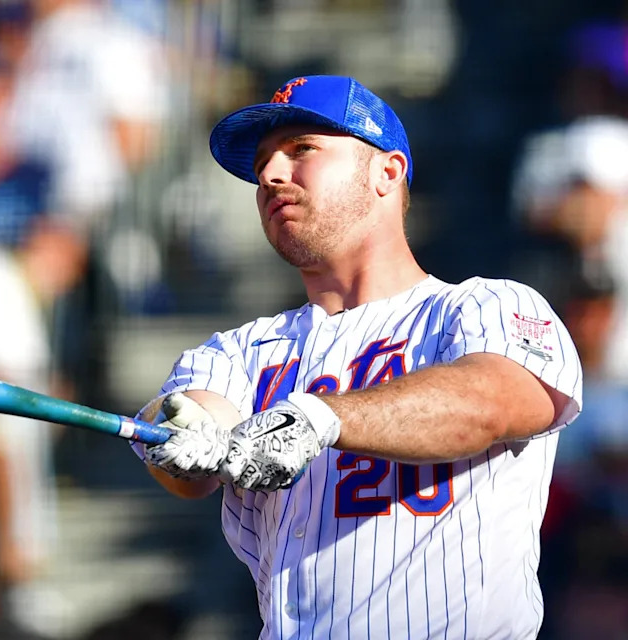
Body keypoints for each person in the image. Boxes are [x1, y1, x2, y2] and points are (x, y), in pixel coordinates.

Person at [134, 75, 584, 639]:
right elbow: (187, 424)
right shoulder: (238, 349)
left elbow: (492, 401)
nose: (272, 176)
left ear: (386, 172)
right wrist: (178, 429)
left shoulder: (483, 305)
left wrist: (324, 418)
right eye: (261, 167)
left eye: (302, 150)